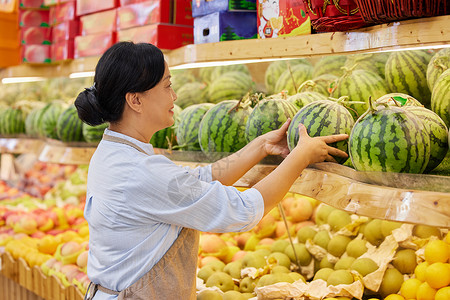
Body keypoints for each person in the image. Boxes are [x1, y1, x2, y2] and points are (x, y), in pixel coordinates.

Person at [75, 41, 348, 300]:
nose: (175, 96)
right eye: (167, 86)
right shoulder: (139, 172)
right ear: (135, 100)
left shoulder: (113, 153)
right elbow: (242, 210)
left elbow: (196, 182)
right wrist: (300, 156)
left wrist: (260, 146)